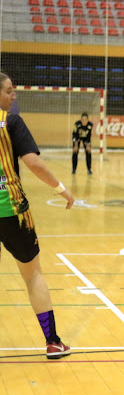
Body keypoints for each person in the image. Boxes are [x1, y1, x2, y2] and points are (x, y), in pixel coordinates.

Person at [0, 72, 75, 358]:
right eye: (9, 91)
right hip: (12, 212)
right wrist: (61, 189)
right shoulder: (11, 123)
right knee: (32, 277)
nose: (13, 96)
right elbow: (33, 162)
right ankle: (52, 341)